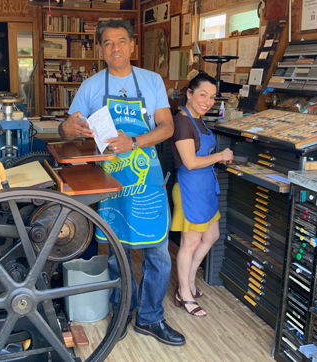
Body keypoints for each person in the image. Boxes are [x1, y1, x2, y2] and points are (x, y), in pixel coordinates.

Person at [58, 19, 185, 346]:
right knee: (117, 251)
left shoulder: (152, 80)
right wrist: (70, 128)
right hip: (109, 178)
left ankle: (150, 317)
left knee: (158, 251)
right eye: (108, 43)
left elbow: (167, 127)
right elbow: (65, 130)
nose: (115, 48)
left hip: (148, 176)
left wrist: (136, 141)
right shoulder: (90, 87)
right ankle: (122, 310)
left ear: (131, 45)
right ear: (100, 49)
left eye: (121, 41)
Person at [169, 72, 234, 317]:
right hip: (189, 189)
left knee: (211, 236)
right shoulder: (183, 122)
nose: (207, 101)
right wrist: (219, 156)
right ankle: (184, 292)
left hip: (206, 187)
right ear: (189, 93)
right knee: (190, 243)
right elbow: (190, 162)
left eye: (212, 97)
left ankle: (190, 281)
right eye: (202, 95)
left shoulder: (199, 119)